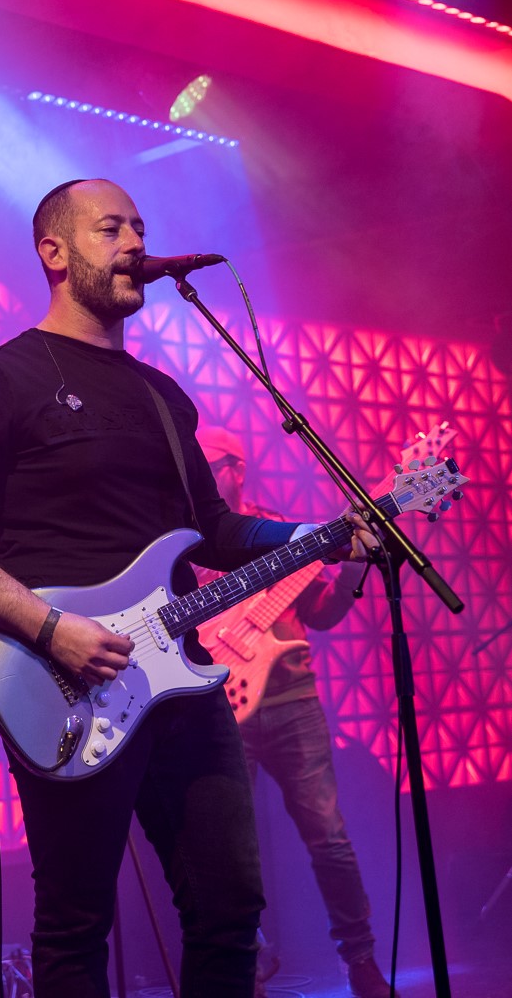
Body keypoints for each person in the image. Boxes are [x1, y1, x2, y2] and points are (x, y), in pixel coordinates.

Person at [0, 178, 377, 998]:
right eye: (109, 228)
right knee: (77, 920)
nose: (134, 244)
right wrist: (51, 629)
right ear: (53, 252)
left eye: (139, 227)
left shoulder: (162, 397)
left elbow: (213, 529)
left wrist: (320, 535)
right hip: (58, 676)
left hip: (179, 679)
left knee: (230, 910)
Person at [195, 425, 399, 998]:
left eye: (209, 466)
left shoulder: (281, 533)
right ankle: (245, 960)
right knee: (228, 847)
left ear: (236, 470)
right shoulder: (185, 541)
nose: (199, 476)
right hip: (218, 703)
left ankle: (360, 960)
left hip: (292, 701)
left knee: (329, 836)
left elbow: (325, 614)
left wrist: (355, 567)